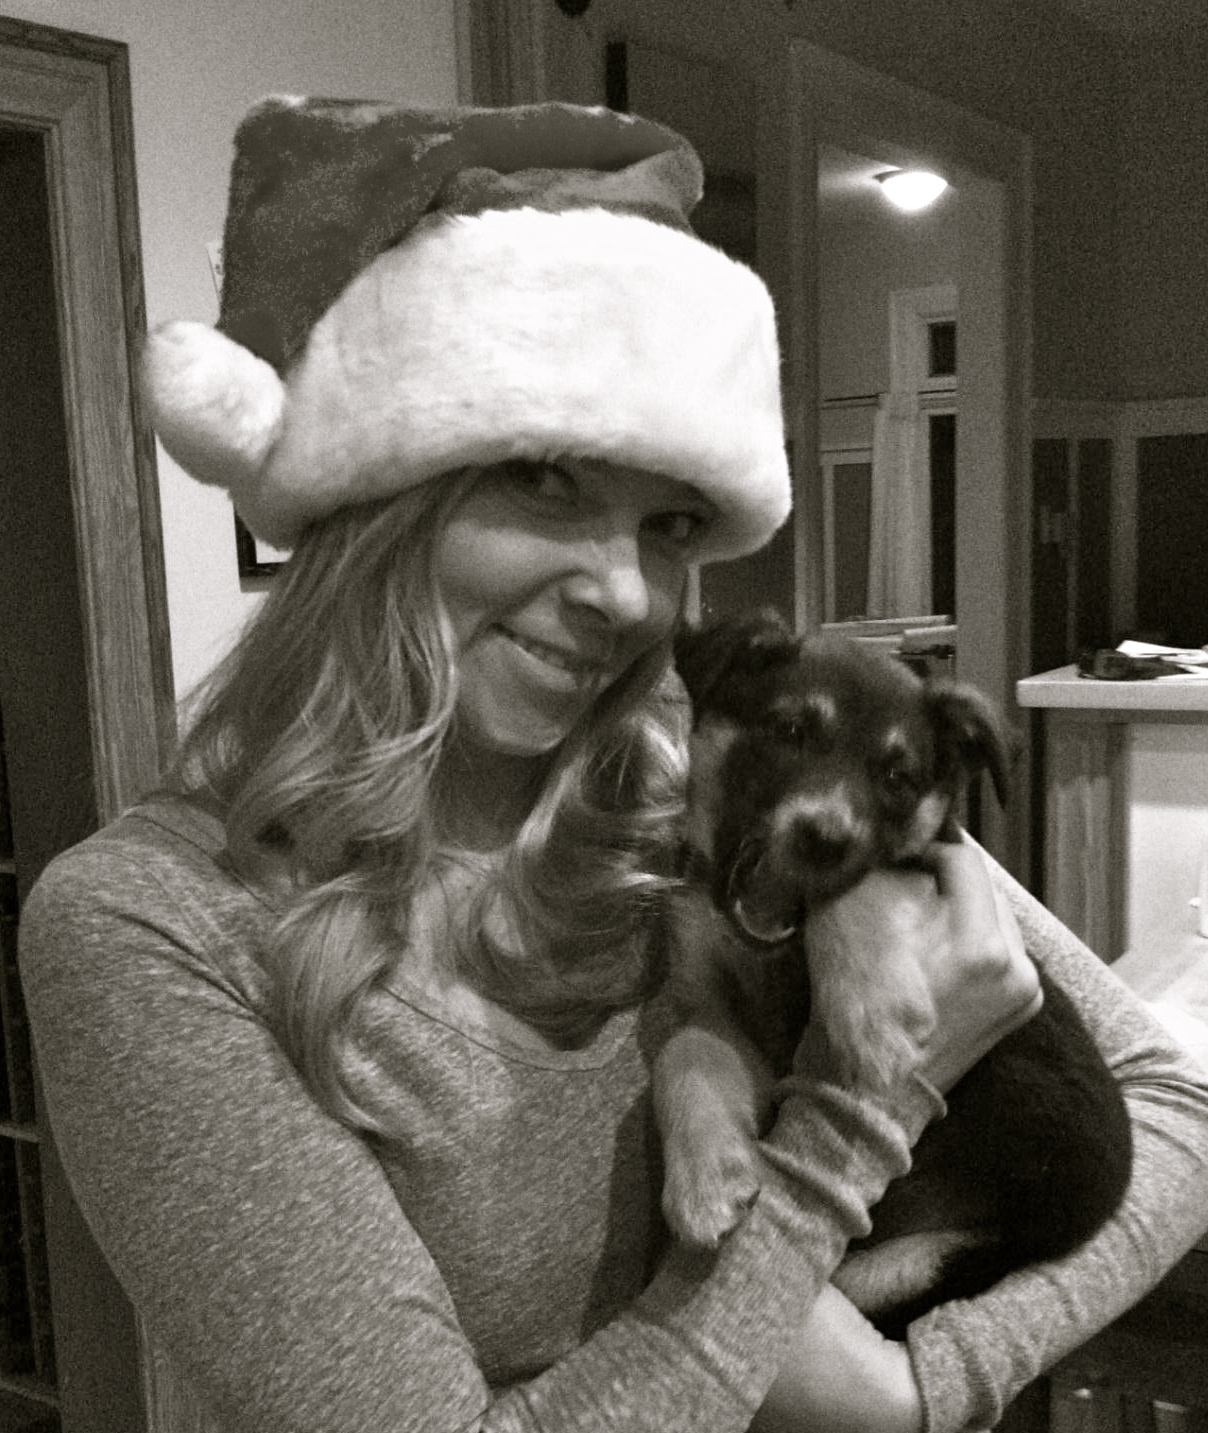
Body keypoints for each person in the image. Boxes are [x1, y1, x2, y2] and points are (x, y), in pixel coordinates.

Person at [17, 97, 1208, 1433]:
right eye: (546, 482)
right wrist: (852, 1119)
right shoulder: (152, 928)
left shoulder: (721, 770)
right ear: (372, 500)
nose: (628, 593)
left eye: (672, 525)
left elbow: (1176, 1103)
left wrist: (921, 1385)